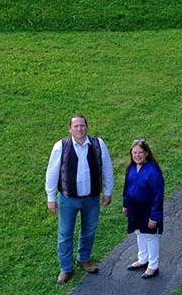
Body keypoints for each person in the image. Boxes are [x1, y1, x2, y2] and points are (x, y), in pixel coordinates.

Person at [45, 115, 115, 284]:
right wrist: (51, 197)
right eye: (75, 126)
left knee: (89, 230)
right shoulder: (61, 146)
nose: (79, 129)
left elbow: (107, 167)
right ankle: (66, 268)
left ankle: (83, 259)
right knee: (65, 234)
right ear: (70, 129)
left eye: (82, 126)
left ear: (87, 127)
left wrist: (108, 191)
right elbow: (52, 172)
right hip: (68, 199)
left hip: (91, 198)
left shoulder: (98, 144)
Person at [123, 139, 165, 280]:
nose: (137, 155)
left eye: (140, 152)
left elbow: (158, 196)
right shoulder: (131, 168)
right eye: (134, 152)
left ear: (146, 153)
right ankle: (143, 259)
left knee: (150, 236)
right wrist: (125, 204)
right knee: (139, 233)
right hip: (134, 208)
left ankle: (153, 265)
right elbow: (126, 187)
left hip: (147, 210)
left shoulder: (153, 172)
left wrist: (154, 217)